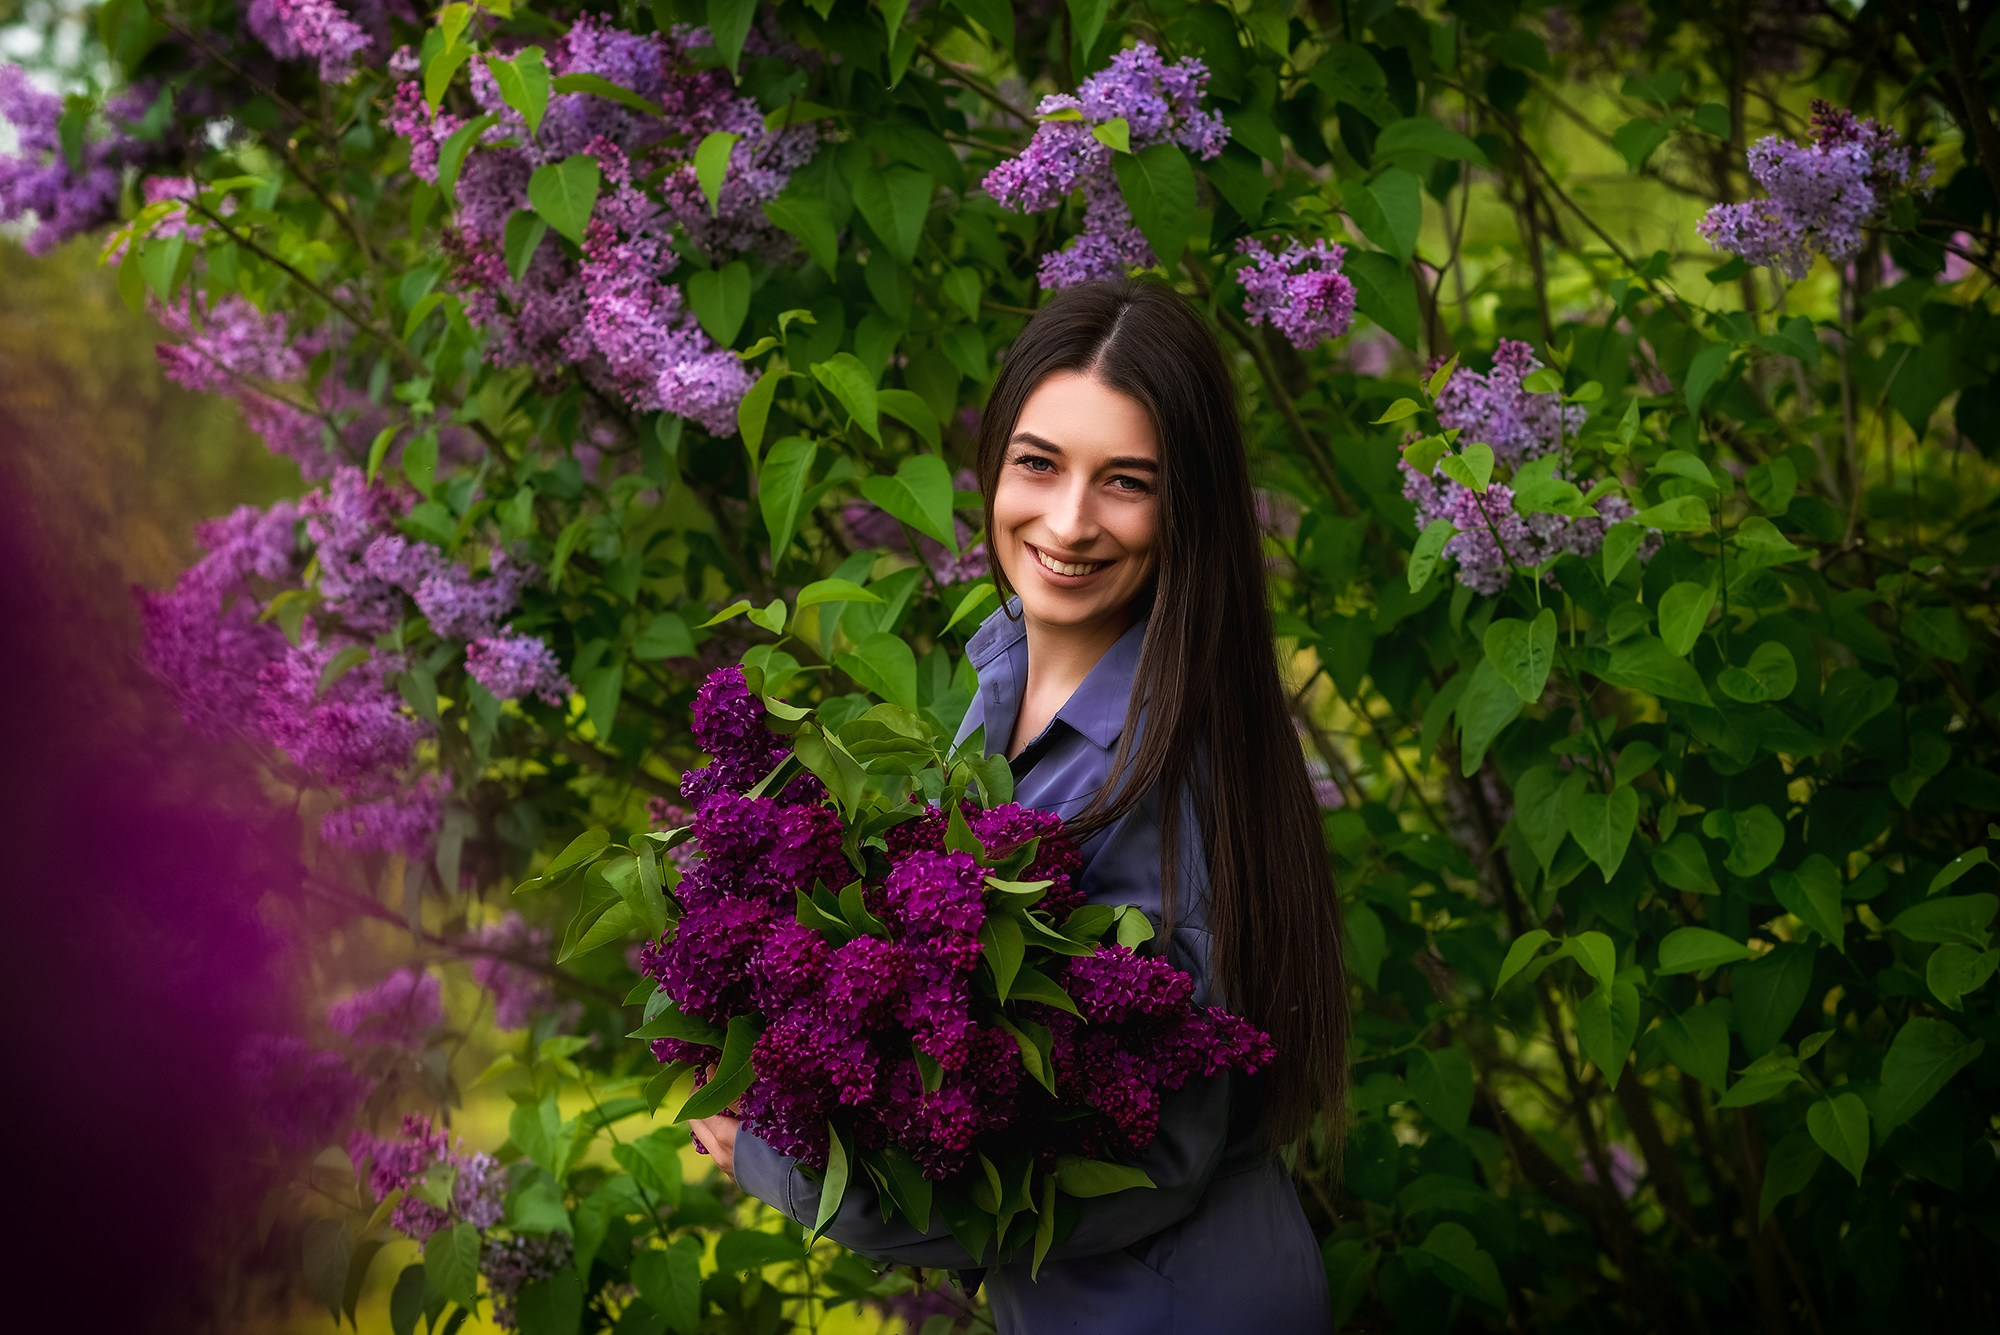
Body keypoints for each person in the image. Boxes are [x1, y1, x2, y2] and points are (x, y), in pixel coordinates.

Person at [691, 277, 1349, 1331]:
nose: (1069, 521)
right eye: (1038, 464)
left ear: (1188, 508)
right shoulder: (999, 672)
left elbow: (1157, 1155)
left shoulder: (1150, 770)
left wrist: (779, 1161)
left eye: (1125, 482)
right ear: (994, 460)